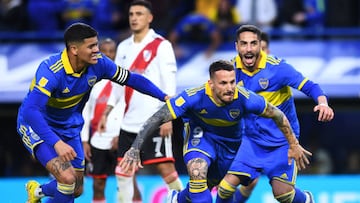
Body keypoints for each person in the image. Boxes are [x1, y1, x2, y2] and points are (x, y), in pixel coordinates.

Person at [118, 60, 312, 203]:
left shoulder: (245, 98)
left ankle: (177, 199)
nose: (229, 88)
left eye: (232, 82)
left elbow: (277, 115)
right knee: (197, 170)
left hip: (230, 146)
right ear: (211, 84)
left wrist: (294, 144)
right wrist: (135, 148)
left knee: (206, 186)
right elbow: (156, 118)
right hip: (201, 137)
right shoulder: (192, 97)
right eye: (223, 83)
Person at [16, 22, 169, 203]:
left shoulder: (100, 64)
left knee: (77, 188)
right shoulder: (51, 71)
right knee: (67, 179)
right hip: (36, 125)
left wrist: (164, 96)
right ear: (74, 49)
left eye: (96, 44)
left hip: (68, 126)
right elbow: (31, 111)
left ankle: (37, 192)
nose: (97, 50)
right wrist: (56, 143)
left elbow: (132, 79)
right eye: (91, 46)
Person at [215, 24, 334, 203]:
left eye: (253, 43)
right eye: (244, 44)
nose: (248, 49)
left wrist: (323, 103)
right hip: (250, 140)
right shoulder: (230, 70)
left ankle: (306, 200)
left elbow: (310, 86)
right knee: (224, 189)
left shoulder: (278, 68)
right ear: (237, 46)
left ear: (259, 45)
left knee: (283, 195)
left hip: (282, 141)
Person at [111, 0, 183, 202]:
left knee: (165, 168)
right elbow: (117, 88)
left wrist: (167, 116)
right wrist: (113, 121)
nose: (134, 18)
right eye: (131, 14)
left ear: (149, 18)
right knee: (123, 171)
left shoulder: (162, 45)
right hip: (128, 122)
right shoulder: (123, 47)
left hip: (153, 119)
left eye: (139, 14)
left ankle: (188, 200)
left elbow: (169, 83)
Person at [81, 38, 142, 203]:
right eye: (104, 51)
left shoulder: (125, 78)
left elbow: (131, 108)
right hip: (99, 138)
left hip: (122, 136)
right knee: (98, 183)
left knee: (130, 181)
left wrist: (121, 135)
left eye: (111, 51)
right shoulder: (91, 79)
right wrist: (85, 140)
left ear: (117, 54)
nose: (108, 54)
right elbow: (86, 111)